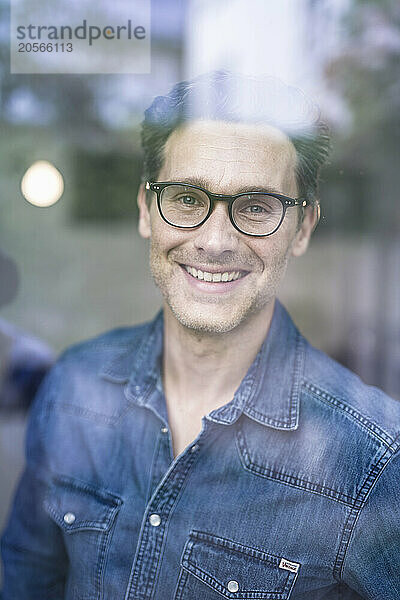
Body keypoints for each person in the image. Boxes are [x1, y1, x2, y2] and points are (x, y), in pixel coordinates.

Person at [1, 71, 399, 600]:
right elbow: (25, 581)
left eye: (256, 207)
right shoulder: (72, 385)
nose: (215, 241)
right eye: (188, 199)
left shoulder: (374, 460)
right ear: (146, 210)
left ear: (303, 229)